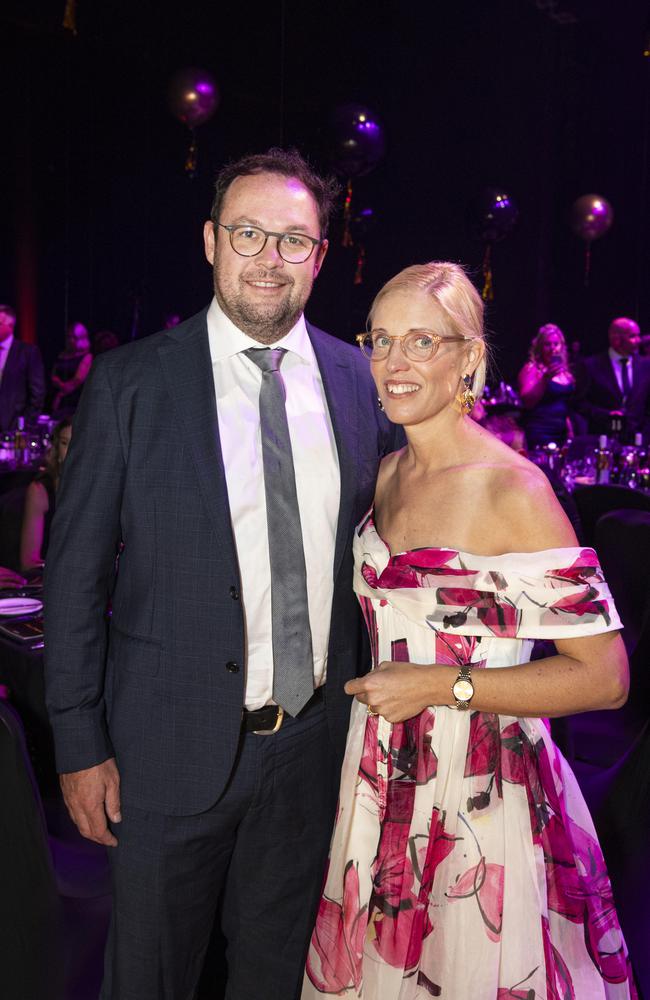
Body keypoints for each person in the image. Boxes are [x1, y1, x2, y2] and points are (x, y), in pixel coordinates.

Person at [43, 148, 401, 1000]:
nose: (268, 258)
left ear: (319, 256)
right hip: (162, 754)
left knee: (278, 977)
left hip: (314, 750)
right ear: (210, 241)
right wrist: (79, 742)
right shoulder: (132, 382)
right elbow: (75, 579)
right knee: (152, 979)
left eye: (293, 240)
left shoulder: (360, 383)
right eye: (248, 233)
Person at [302, 262, 637, 999]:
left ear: (470, 357)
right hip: (379, 773)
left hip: (480, 784)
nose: (393, 363)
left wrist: (436, 684)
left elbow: (606, 678)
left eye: (421, 341)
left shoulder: (513, 488)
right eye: (380, 340)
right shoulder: (386, 472)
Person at [575, 317, 650, 440]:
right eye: (632, 336)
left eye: (638, 336)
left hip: (638, 439)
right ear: (616, 339)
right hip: (602, 438)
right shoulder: (591, 366)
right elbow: (579, 403)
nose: (638, 341)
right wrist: (606, 415)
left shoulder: (646, 366)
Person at [20, 419, 71, 573]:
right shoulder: (40, 490)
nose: (72, 450)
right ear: (56, 450)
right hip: (51, 580)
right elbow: (29, 562)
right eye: (65, 443)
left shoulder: (101, 489)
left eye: (78, 443)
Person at [518, 323, 575, 449]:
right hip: (540, 431)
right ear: (540, 347)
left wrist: (570, 429)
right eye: (547, 344)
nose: (552, 348)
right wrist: (545, 379)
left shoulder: (564, 372)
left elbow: (564, 403)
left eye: (556, 344)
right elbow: (527, 401)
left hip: (562, 432)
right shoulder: (532, 369)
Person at [0, 304, 46, 431]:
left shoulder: (27, 352)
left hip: (14, 425)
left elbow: (37, 392)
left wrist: (27, 423)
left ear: (10, 326)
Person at [50, 320, 93, 416]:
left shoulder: (86, 357)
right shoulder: (62, 354)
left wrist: (61, 394)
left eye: (73, 337)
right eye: (68, 337)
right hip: (59, 399)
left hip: (74, 402)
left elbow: (77, 380)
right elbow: (54, 375)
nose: (70, 340)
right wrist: (58, 385)